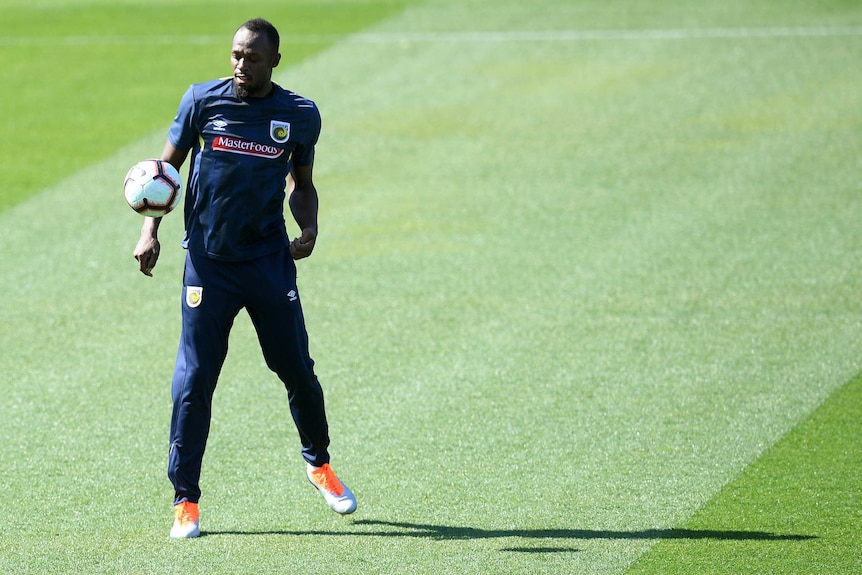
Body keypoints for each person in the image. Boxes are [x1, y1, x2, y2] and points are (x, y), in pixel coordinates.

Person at [133, 17, 356, 539]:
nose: (240, 64)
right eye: (235, 54)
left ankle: (318, 464)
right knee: (193, 382)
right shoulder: (202, 102)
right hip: (208, 264)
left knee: (296, 367)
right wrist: (150, 230)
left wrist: (311, 226)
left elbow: (302, 183)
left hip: (267, 261)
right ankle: (185, 500)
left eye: (252, 57)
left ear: (274, 61)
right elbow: (163, 173)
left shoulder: (298, 115)